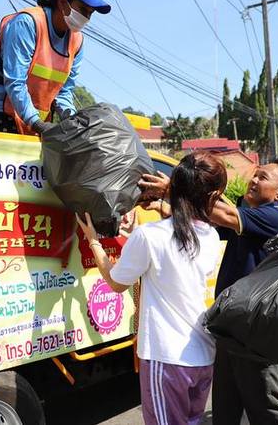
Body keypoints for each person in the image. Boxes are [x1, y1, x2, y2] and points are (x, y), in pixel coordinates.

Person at [140, 157, 278, 425]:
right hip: (229, 326)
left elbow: (223, 215)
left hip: (255, 332)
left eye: (263, 177)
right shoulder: (245, 215)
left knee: (266, 406)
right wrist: (163, 206)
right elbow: (205, 222)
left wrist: (175, 190)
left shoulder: (275, 219)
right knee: (225, 407)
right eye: (255, 174)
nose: (254, 180)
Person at [76, 151, 227, 425]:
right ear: (212, 195)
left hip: (166, 357)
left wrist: (93, 240)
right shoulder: (211, 235)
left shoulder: (151, 236)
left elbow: (115, 282)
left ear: (171, 186)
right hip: (203, 355)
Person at [0, 0, 111, 135]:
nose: (86, 18)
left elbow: (65, 90)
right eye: (82, 9)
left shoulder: (77, 41)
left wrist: (70, 118)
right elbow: (15, 80)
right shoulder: (27, 23)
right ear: (61, 2)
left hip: (35, 113)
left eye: (90, 13)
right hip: (1, 105)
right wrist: (36, 123)